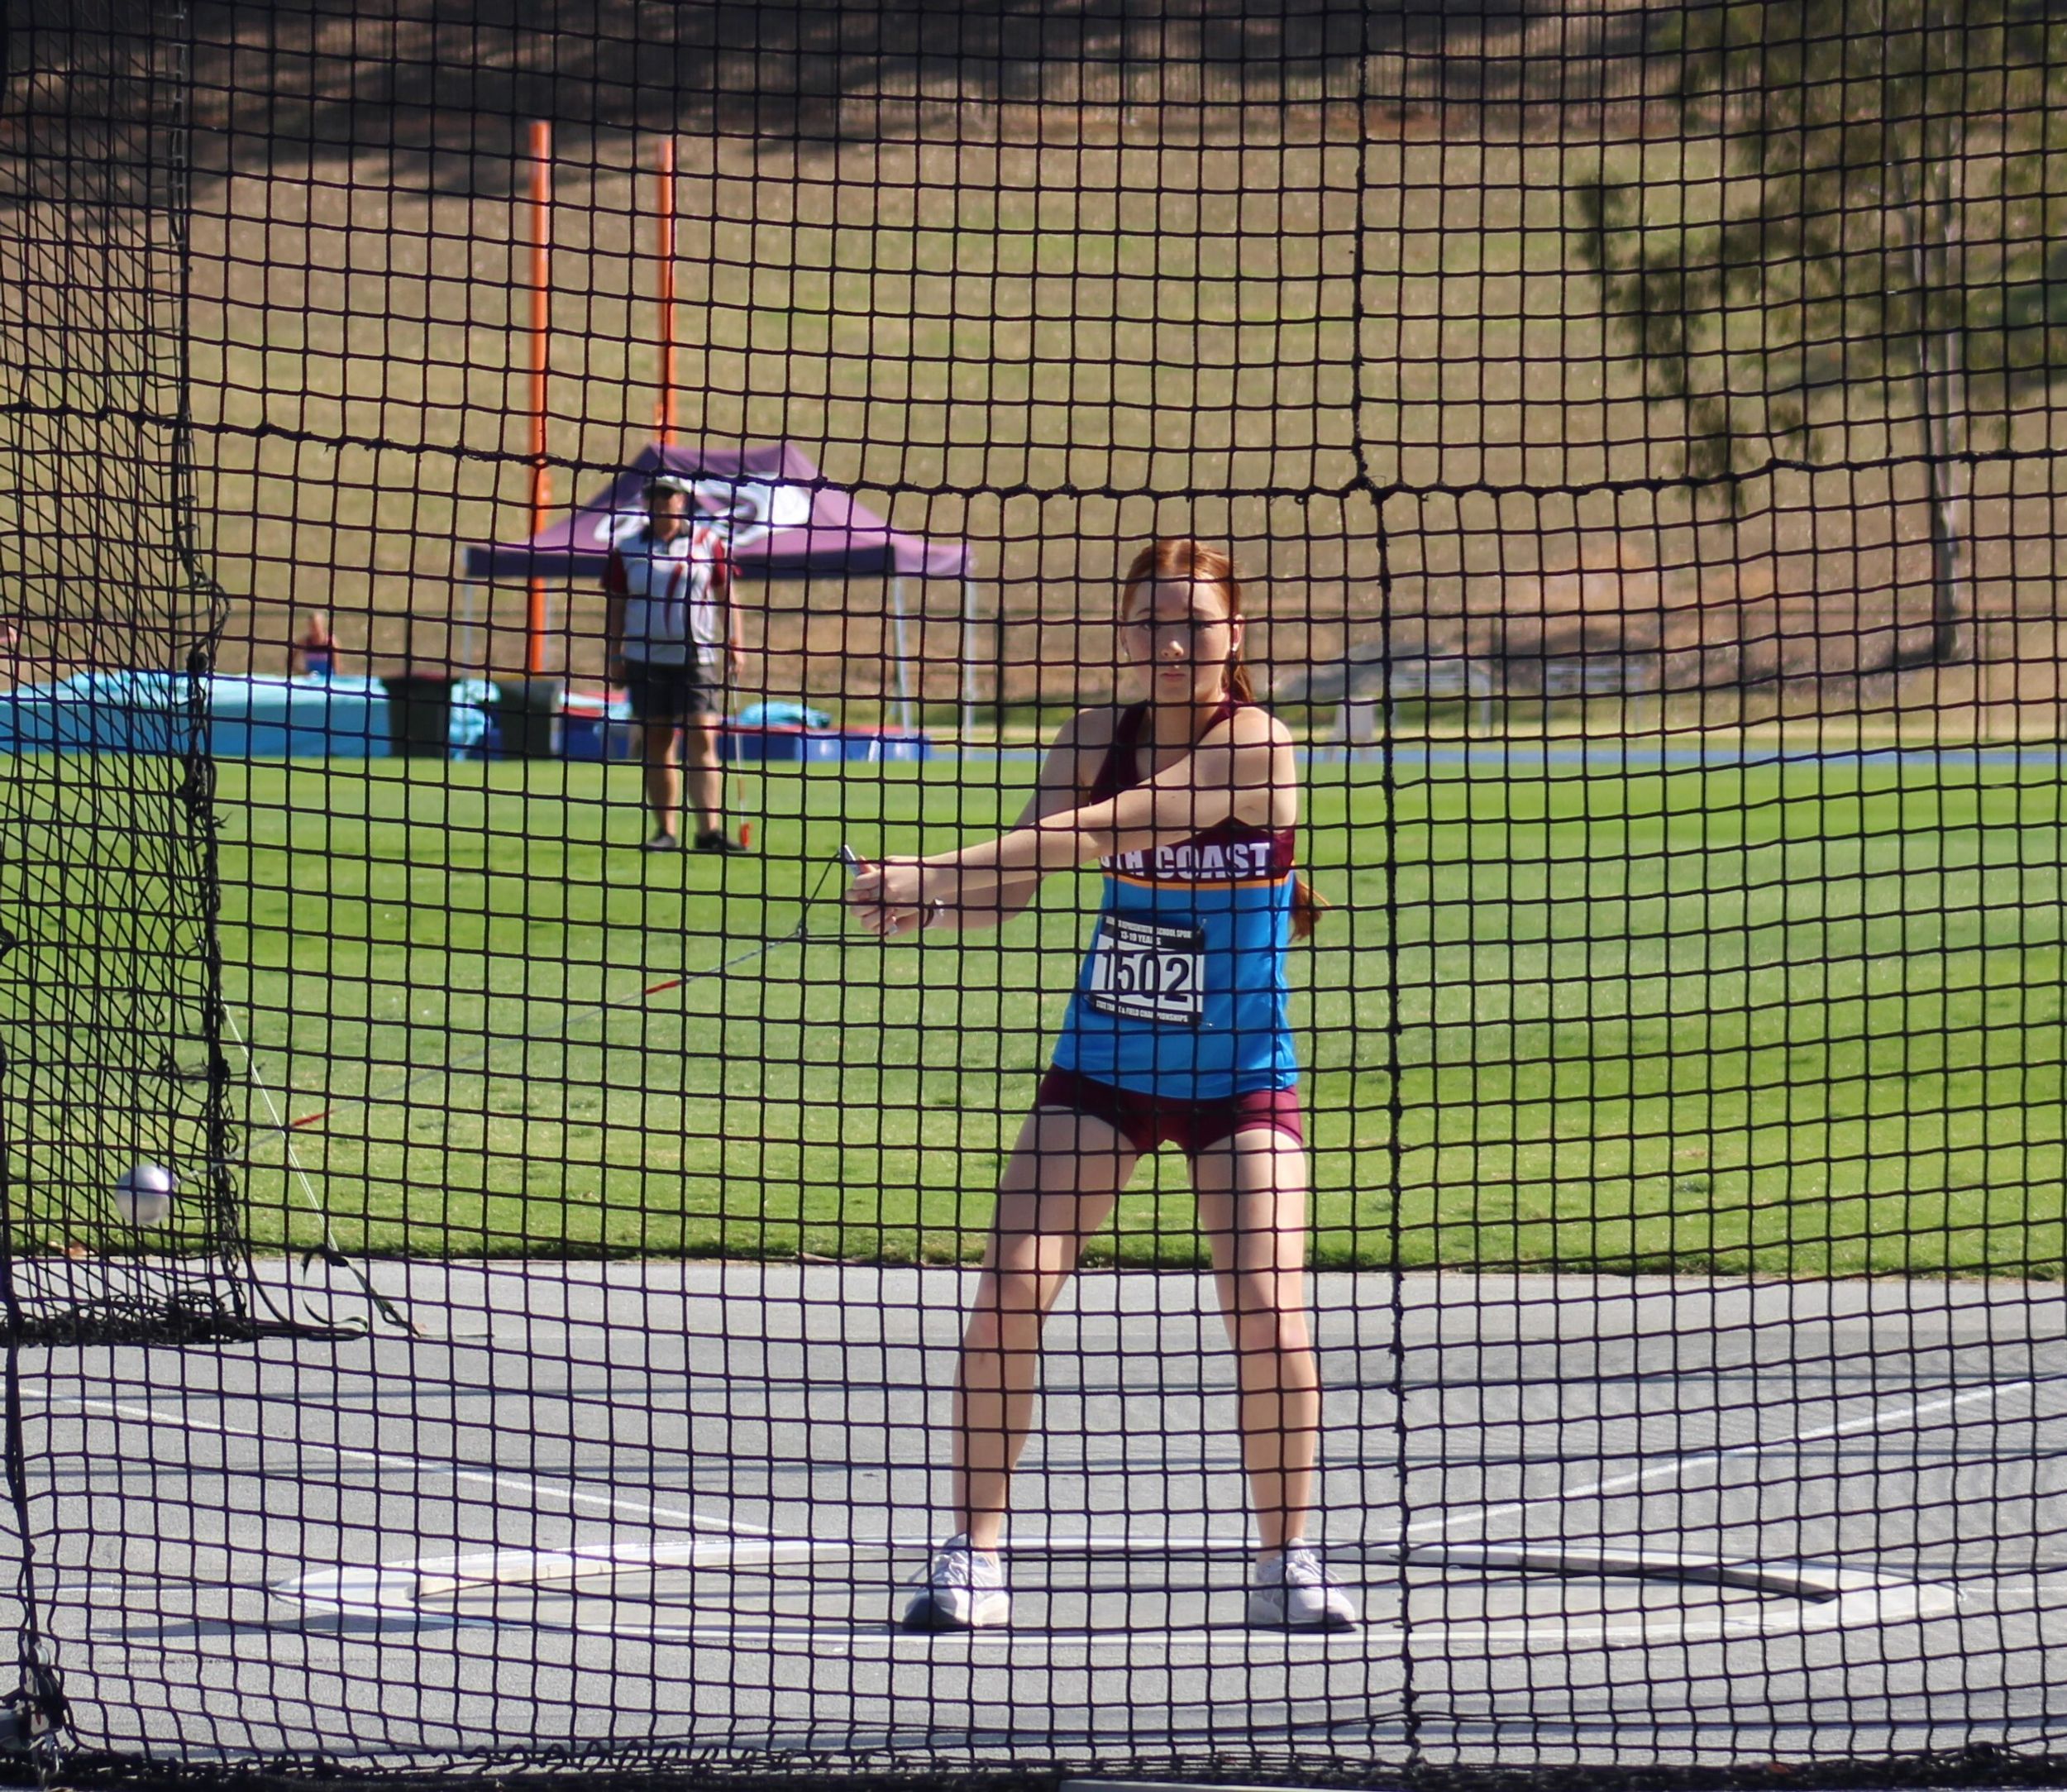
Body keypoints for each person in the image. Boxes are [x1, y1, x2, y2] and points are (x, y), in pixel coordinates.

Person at [847, 537, 1355, 1634]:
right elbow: (1019, 879)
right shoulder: (1090, 737)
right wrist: (927, 904)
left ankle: (1286, 1557)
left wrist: (935, 866)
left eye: (1194, 624)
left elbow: (1105, 829)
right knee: (1009, 1289)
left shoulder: (1258, 743)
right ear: (1125, 633)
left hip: (1239, 1076)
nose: (1171, 645)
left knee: (1269, 1310)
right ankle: (974, 1551)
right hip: (1105, 1067)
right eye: (1150, 624)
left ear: (1234, 634)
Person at [603, 473, 747, 852]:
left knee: (703, 736)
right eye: (655, 495)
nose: (661, 502)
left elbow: (727, 596)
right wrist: (615, 654)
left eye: (668, 495)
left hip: (696, 658)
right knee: (658, 740)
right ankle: (666, 831)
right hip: (645, 658)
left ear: (682, 501)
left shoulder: (707, 543)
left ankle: (708, 831)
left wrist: (735, 643)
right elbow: (617, 605)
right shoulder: (628, 548)